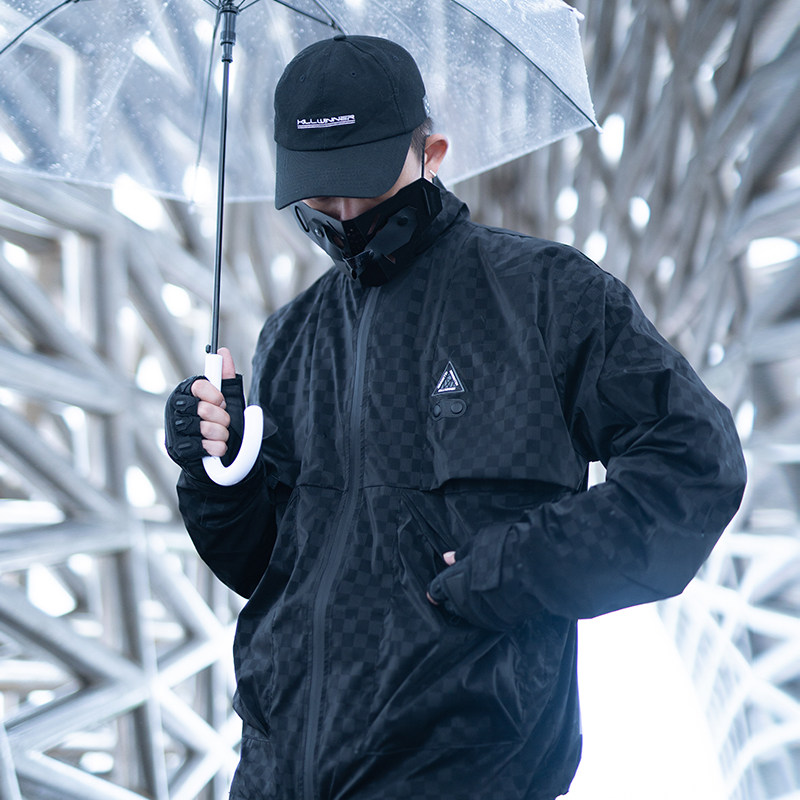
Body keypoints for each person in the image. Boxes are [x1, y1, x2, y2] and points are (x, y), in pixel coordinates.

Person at [165, 34, 746, 800]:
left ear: (431, 153)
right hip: (274, 775)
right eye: (321, 194)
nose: (344, 213)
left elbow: (693, 469)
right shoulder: (291, 335)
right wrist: (220, 473)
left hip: (461, 774)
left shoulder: (546, 295)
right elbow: (267, 568)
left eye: (364, 182)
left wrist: (514, 568)